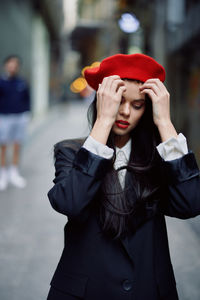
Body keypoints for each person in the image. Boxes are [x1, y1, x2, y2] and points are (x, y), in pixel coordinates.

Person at [47, 53, 200, 300]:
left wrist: (164, 122)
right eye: (117, 101)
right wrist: (104, 120)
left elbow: (191, 203)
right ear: (102, 100)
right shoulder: (71, 152)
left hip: (148, 288)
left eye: (137, 105)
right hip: (86, 291)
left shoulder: (160, 157)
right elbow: (70, 203)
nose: (126, 111)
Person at [0, 55, 30, 191]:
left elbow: (27, 99)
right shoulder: (1, 82)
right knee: (3, 146)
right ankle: (3, 174)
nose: (12, 66)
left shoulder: (22, 82)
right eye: (10, 64)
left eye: (15, 64)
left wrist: (26, 114)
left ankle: (14, 172)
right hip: (4, 118)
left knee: (17, 145)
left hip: (20, 117)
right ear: (6, 65)